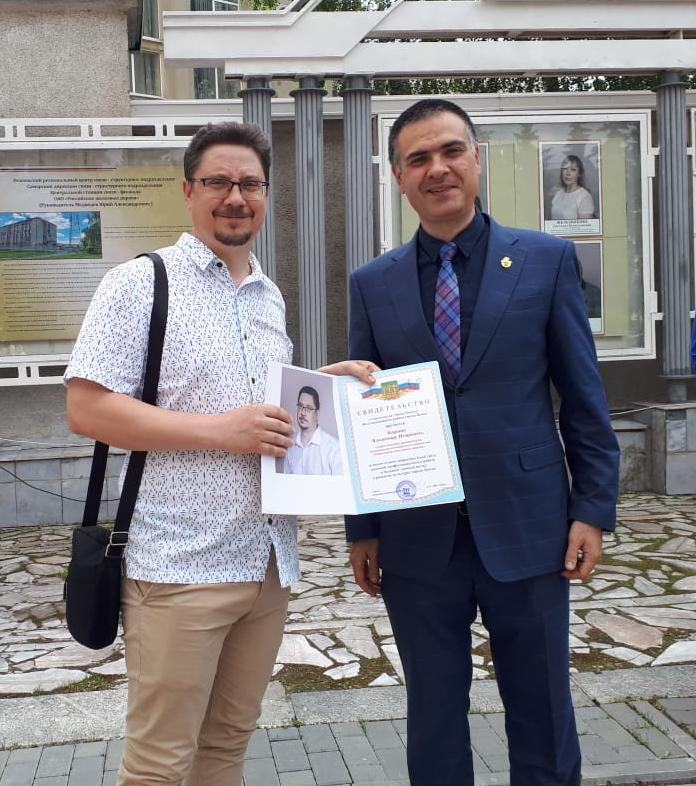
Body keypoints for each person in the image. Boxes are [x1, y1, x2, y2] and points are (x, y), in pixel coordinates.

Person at [64, 121, 375, 786]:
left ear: (265, 194)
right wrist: (219, 432)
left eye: (250, 184)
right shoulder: (139, 283)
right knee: (159, 763)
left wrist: (328, 385)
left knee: (227, 746)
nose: (236, 197)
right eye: (218, 182)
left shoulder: (268, 295)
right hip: (179, 566)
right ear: (188, 191)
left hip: (267, 563)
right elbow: (86, 408)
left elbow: (254, 407)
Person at [346, 99, 619, 786]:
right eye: (418, 159)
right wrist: (363, 527)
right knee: (433, 716)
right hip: (417, 535)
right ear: (398, 177)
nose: (437, 168)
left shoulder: (546, 261)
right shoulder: (372, 284)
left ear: (475, 158)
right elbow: (363, 410)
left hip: (530, 527)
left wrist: (593, 509)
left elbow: (583, 397)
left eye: (450, 151)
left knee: (543, 707)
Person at [283, 385, 342, 475]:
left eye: (309, 408)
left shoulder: (334, 448)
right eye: (300, 406)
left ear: (317, 413)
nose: (302, 412)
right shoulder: (289, 447)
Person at [550, 154, 596, 220]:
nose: (568, 173)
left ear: (579, 174)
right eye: (565, 168)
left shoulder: (584, 196)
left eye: (573, 169)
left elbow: (585, 226)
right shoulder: (558, 194)